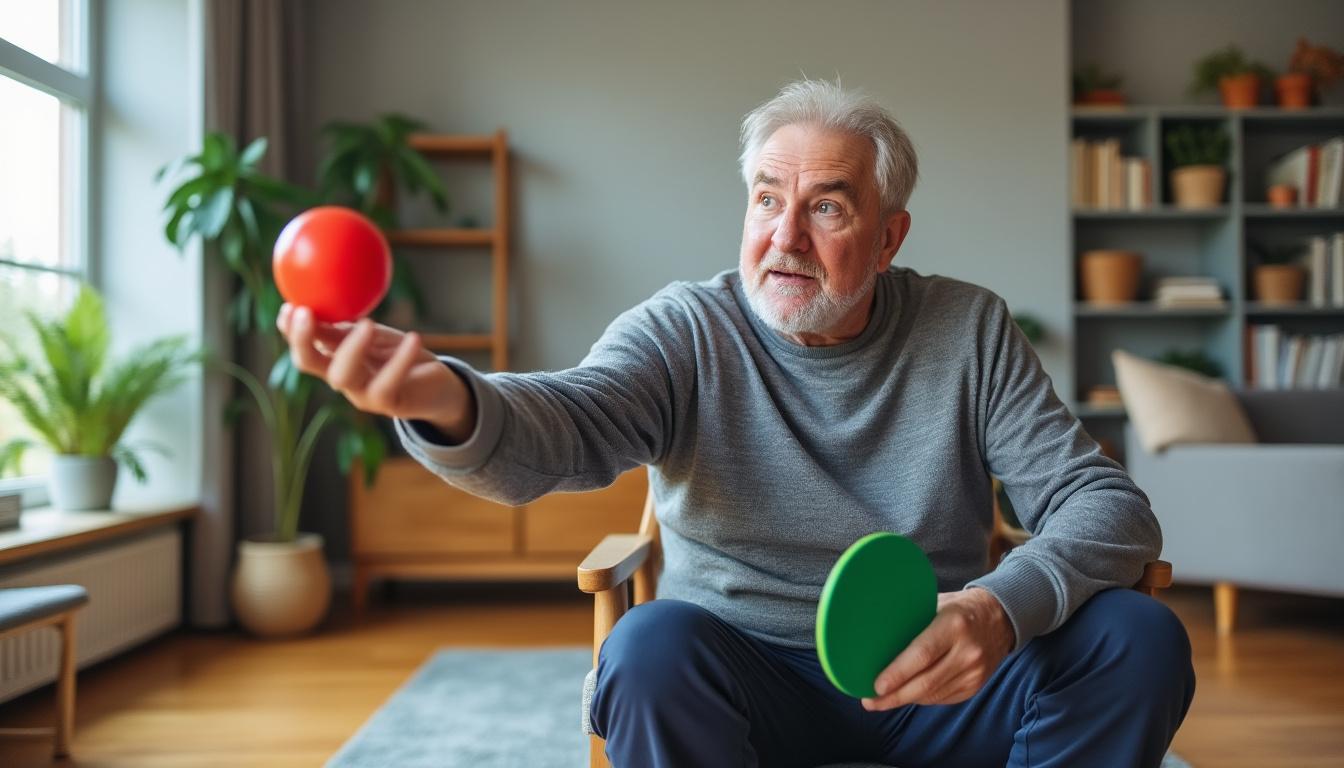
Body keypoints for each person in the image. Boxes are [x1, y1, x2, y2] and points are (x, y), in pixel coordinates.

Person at [278, 79, 1195, 767]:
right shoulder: (685, 329)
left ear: (888, 238)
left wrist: (999, 608)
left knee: (1138, 638)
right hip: (741, 685)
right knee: (647, 644)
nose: (785, 236)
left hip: (934, 679)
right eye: (766, 197)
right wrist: (447, 400)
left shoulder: (968, 329)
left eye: (827, 205)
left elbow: (1105, 504)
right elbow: (569, 420)